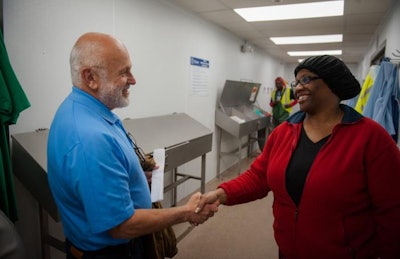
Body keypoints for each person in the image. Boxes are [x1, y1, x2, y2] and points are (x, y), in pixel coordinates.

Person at [197, 55, 400, 258]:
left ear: (332, 83)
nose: (297, 88)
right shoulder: (283, 133)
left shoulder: (371, 137)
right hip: (288, 251)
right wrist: (221, 193)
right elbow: (259, 177)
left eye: (306, 79)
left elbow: (392, 209)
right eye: (296, 82)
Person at [47, 32, 218, 259]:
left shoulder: (86, 111)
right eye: (123, 72)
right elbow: (121, 226)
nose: (133, 79)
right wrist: (186, 212)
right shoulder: (91, 138)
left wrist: (132, 176)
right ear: (90, 78)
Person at [258, 77, 297, 151]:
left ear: (282, 83)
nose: (278, 85)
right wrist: (274, 103)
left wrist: (290, 105)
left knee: (283, 132)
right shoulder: (274, 92)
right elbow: (270, 104)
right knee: (275, 132)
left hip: (284, 115)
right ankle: (275, 148)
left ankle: (282, 148)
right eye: (276, 84)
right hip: (275, 115)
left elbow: (296, 99)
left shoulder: (288, 91)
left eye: (279, 83)